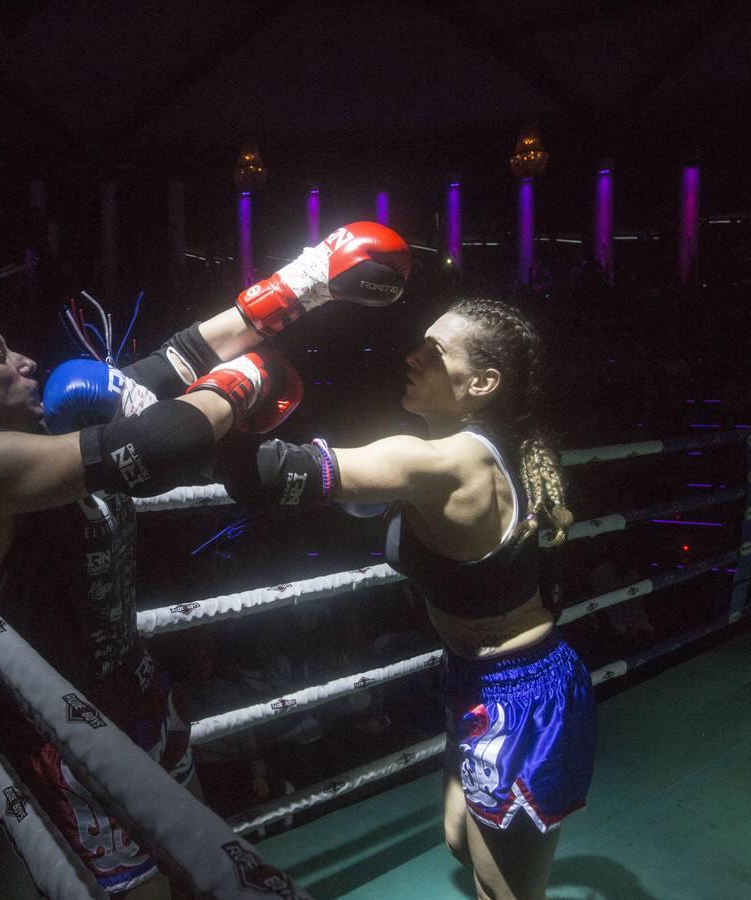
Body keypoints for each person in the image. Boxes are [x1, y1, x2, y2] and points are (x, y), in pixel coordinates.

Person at [0, 222, 410, 898]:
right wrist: (241, 384)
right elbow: (160, 445)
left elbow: (179, 358)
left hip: (139, 698)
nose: (24, 361)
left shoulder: (53, 420)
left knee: (193, 873)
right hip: (62, 733)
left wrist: (303, 285)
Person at [218, 297, 595, 900]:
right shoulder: (476, 445)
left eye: (435, 351)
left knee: (504, 892)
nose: (412, 357)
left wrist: (220, 395)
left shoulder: (445, 461)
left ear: (481, 383)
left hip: (523, 694)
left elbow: (265, 474)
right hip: (471, 676)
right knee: (457, 838)